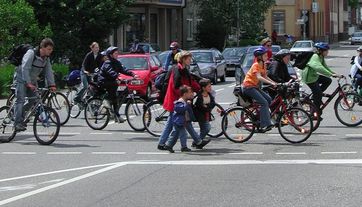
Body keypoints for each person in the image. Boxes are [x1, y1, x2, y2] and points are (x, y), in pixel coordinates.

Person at [158, 51, 208, 150]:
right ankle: (191, 143)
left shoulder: (184, 69)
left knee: (176, 123)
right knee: (180, 124)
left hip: (179, 100)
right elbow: (175, 86)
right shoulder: (177, 69)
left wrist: (199, 88)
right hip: (176, 101)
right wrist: (186, 95)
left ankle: (164, 144)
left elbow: (191, 81)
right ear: (183, 60)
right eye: (189, 58)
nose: (190, 60)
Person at [14, 38, 56, 132]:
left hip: (32, 82)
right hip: (21, 79)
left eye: (51, 49)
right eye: (49, 49)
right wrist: (28, 82)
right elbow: (25, 68)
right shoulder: (31, 53)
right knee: (20, 100)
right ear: (42, 48)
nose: (51, 51)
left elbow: (48, 72)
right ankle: (17, 123)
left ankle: (19, 115)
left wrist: (52, 84)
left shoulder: (46, 59)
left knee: (34, 100)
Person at [97, 46, 139, 122]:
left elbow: (123, 69)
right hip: (103, 81)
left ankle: (117, 115)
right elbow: (110, 71)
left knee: (115, 98)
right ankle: (106, 101)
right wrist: (117, 76)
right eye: (115, 53)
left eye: (117, 53)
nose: (117, 55)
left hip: (111, 81)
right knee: (114, 86)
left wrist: (133, 74)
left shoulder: (117, 62)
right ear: (111, 55)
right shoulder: (107, 62)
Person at [301, 42, 342, 118]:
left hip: (314, 76)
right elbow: (318, 67)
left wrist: (334, 73)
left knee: (328, 80)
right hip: (308, 77)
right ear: (321, 51)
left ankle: (316, 94)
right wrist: (331, 74)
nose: (327, 52)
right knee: (318, 94)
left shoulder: (321, 57)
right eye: (326, 50)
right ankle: (314, 113)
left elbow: (325, 67)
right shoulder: (315, 56)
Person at [164, 86, 210, 153]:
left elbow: (189, 112)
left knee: (175, 134)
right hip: (179, 122)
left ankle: (169, 145)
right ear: (185, 94)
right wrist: (187, 105)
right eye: (190, 93)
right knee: (182, 134)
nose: (191, 94)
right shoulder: (180, 102)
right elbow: (180, 110)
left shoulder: (185, 101)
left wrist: (193, 118)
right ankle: (183, 147)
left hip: (184, 121)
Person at [242, 46, 277, 132]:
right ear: (259, 57)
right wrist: (271, 83)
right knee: (264, 103)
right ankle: (265, 124)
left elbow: (265, 76)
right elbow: (259, 77)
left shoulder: (263, 65)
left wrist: (275, 83)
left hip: (255, 87)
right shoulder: (256, 65)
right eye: (265, 56)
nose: (267, 57)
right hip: (248, 87)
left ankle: (260, 115)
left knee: (269, 99)